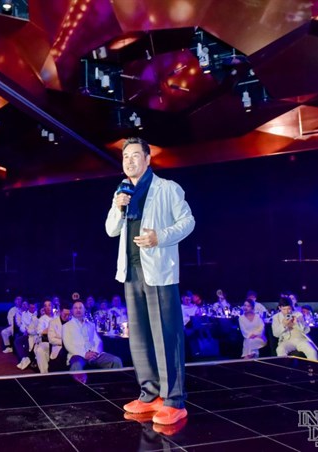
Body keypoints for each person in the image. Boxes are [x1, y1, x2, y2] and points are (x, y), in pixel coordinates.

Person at [105, 137, 195, 426]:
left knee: (167, 335)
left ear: (147, 159)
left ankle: (174, 400)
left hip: (159, 272)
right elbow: (110, 230)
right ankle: (149, 394)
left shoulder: (167, 188)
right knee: (140, 337)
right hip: (131, 271)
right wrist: (118, 207)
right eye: (125, 157)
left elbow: (188, 222)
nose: (129, 161)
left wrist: (160, 237)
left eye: (135, 155)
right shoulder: (122, 192)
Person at [62, 300, 123, 382]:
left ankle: (115, 385)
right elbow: (68, 345)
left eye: (80, 308)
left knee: (116, 360)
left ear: (84, 310)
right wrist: (84, 354)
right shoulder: (66, 326)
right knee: (76, 366)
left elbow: (98, 341)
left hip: (94, 354)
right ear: (72, 311)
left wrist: (95, 352)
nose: (78, 310)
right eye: (75, 308)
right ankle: (81, 388)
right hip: (77, 355)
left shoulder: (91, 325)